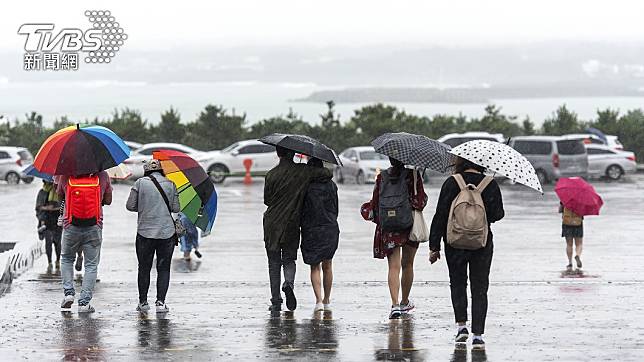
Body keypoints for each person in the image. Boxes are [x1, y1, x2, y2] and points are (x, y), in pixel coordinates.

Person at [428, 156, 504, 349]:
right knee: (480, 287)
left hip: (455, 243)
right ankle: (478, 334)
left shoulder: (452, 183)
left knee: (458, 283)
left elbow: (441, 214)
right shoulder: (490, 184)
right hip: (482, 243)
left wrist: (434, 246)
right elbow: (498, 215)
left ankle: (461, 326)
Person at [263, 146, 332, 312]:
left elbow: (267, 200)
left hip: (272, 223)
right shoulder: (303, 171)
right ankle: (288, 283)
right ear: (293, 153)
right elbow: (328, 174)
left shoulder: (271, 174)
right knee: (289, 258)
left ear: (278, 154)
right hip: (292, 223)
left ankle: (276, 300)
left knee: (273, 262)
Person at [367, 157, 427, 319]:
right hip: (409, 224)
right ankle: (404, 302)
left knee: (393, 267)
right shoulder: (413, 175)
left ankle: (394, 306)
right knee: (407, 265)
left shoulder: (382, 177)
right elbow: (420, 202)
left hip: (390, 227)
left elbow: (375, 203)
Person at [126, 159, 180, 313]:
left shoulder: (140, 183)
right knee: (164, 269)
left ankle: (143, 303)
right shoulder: (171, 184)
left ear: (146, 170)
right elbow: (176, 208)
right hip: (167, 233)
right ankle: (161, 303)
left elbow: (130, 206)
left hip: (145, 232)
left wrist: (144, 206)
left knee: (144, 268)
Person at [57, 171, 112, 313]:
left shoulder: (66, 174)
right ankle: (84, 303)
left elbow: (60, 196)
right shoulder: (103, 175)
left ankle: (69, 293)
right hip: (94, 226)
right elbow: (108, 200)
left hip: (70, 225)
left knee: (67, 259)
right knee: (91, 265)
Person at [299, 157, 339, 312]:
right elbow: (335, 209)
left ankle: (318, 301)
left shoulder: (305, 186)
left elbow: (302, 209)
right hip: (329, 227)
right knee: (328, 266)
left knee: (314, 266)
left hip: (311, 228)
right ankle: (327, 299)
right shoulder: (332, 186)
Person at [36, 180, 62, 269]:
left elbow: (65, 206)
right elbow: (38, 207)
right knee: (48, 242)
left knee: (58, 243)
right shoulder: (42, 192)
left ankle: (58, 260)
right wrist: (47, 208)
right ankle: (50, 262)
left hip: (58, 220)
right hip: (46, 220)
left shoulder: (60, 191)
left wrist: (54, 208)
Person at [559, 202, 583, 270]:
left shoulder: (565, 199)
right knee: (579, 244)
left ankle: (570, 263)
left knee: (569, 244)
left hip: (567, 223)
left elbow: (560, 210)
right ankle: (577, 255)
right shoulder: (581, 199)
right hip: (578, 223)